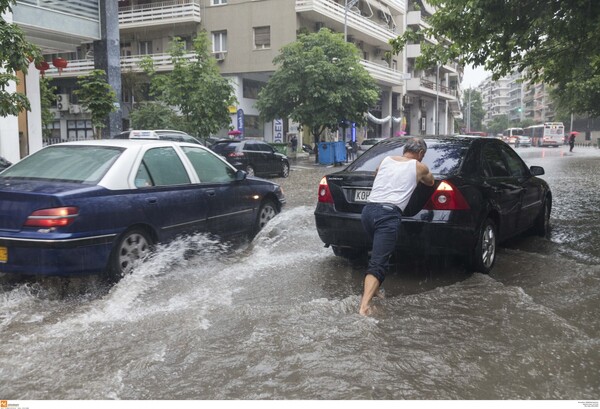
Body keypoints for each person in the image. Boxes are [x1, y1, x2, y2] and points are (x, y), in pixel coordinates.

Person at [359, 137, 435, 316]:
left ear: (404, 149)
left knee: (379, 255)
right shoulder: (420, 167)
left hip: (368, 212)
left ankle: (376, 290)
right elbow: (431, 182)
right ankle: (364, 306)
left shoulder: (386, 160)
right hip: (387, 215)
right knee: (378, 263)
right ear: (421, 153)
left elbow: (377, 173)